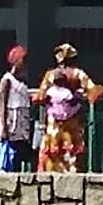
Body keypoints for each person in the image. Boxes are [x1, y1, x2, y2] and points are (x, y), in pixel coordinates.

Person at [37, 43, 96, 173]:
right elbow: (93, 91)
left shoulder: (50, 75)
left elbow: (41, 97)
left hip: (54, 125)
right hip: (73, 123)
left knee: (53, 154)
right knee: (72, 154)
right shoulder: (79, 74)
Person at [0, 45, 35, 171]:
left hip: (22, 124)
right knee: (13, 153)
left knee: (23, 152)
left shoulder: (22, 81)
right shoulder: (7, 80)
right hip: (12, 123)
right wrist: (4, 127)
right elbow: (3, 104)